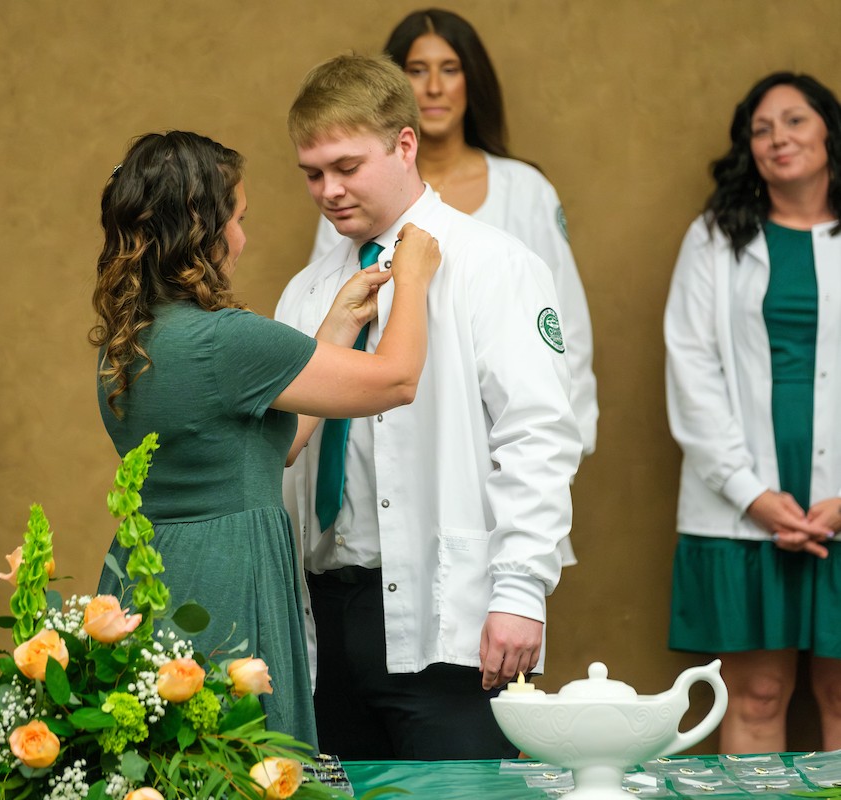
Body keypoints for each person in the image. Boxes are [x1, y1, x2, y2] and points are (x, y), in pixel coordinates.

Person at [276, 54, 581, 760]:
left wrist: (519, 593)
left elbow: (537, 435)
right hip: (325, 609)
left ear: (404, 144)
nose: (328, 190)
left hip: (451, 613)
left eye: (346, 167)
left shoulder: (493, 264)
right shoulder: (306, 289)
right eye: (312, 173)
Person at [92, 130, 440, 748]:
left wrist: (335, 325)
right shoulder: (229, 339)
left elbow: (267, 451)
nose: (244, 237)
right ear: (204, 227)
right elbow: (397, 380)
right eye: (239, 218)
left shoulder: (133, 341)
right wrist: (412, 277)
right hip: (229, 575)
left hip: (149, 570)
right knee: (236, 753)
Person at [309, 8, 597, 476]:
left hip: (503, 441)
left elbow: (566, 323)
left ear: (472, 80)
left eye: (450, 69)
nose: (434, 88)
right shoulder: (355, 197)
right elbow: (326, 309)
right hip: (387, 446)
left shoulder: (524, 189)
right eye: (417, 71)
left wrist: (563, 447)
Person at [665, 72, 841, 753]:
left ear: (828, 131)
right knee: (757, 696)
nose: (776, 139)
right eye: (760, 129)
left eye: (793, 122)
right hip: (740, 510)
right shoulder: (714, 239)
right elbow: (691, 369)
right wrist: (751, 494)